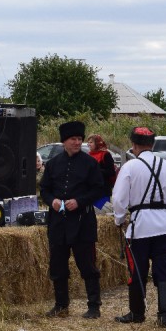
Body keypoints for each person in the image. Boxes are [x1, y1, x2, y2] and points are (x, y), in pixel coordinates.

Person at [113, 126, 166, 327]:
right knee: (163, 269)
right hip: (163, 226)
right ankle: (164, 315)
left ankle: (137, 313)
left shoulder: (130, 167)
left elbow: (119, 199)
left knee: (137, 269)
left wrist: (119, 219)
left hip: (140, 226)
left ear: (134, 145)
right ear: (152, 144)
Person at [39, 121, 105, 319]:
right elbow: (44, 189)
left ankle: (94, 306)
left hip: (82, 222)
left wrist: (79, 201)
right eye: (73, 139)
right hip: (58, 223)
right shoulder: (53, 164)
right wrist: (52, 201)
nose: (77, 142)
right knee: (58, 265)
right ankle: (61, 305)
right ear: (64, 141)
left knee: (87, 265)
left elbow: (99, 190)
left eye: (79, 139)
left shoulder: (90, 164)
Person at [87, 134, 118, 211]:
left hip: (103, 190)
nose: (89, 144)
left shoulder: (105, 155)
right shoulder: (89, 155)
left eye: (91, 142)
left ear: (97, 143)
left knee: (102, 212)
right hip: (91, 190)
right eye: (88, 142)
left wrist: (97, 171)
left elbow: (111, 172)